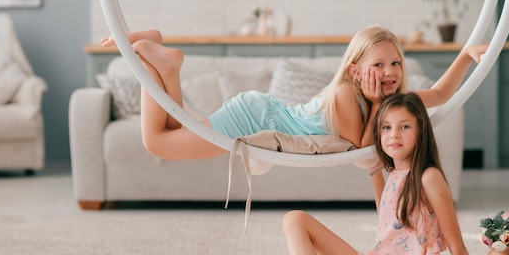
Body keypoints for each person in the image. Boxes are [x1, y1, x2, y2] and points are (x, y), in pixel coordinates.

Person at [221, 92, 488, 255]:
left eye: (404, 127)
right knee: (295, 219)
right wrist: (372, 160)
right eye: (386, 127)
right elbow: (387, 218)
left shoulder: (429, 178)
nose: (394, 134)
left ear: (421, 131)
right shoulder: (394, 174)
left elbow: (457, 246)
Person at [100, 26, 486, 160]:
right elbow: (369, 144)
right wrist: (377, 103)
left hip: (257, 111)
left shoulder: (391, 101)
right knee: (156, 142)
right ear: (355, 71)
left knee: (168, 127)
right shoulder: (345, 96)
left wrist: (468, 55)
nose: (388, 73)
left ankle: (165, 64)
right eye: (378, 65)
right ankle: (156, 61)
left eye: (395, 64)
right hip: (253, 121)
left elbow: (438, 92)